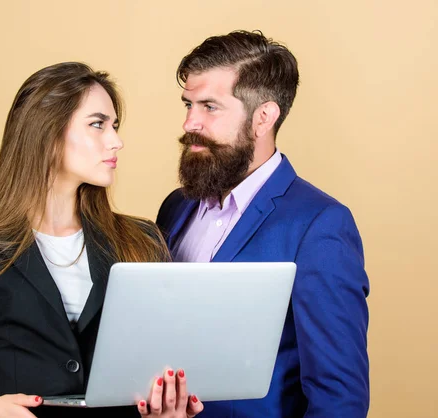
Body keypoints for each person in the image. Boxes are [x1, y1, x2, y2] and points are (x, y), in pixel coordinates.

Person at [0, 62, 204, 418]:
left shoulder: (141, 240)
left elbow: (163, 371)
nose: (116, 141)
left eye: (114, 126)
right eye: (97, 124)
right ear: (46, 132)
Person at [156, 30, 370, 417]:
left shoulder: (321, 226)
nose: (190, 122)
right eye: (188, 104)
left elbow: (339, 398)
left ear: (263, 118)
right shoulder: (175, 207)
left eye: (209, 106)